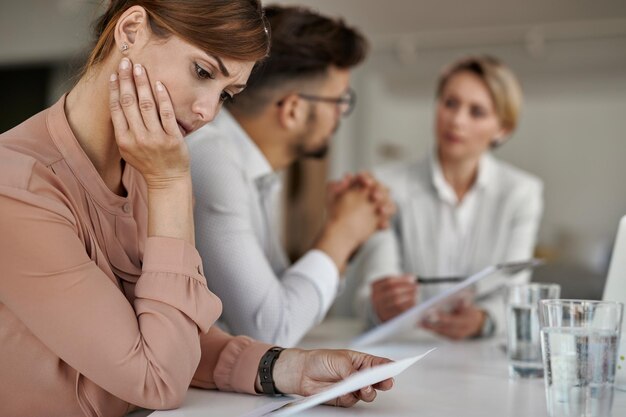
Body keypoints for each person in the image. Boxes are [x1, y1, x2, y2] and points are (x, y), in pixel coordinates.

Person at [0, 2, 394, 416]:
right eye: (202, 72)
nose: (208, 111)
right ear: (131, 30)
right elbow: (157, 377)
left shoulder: (149, 167)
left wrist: (288, 368)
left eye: (225, 93)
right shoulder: (18, 186)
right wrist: (170, 186)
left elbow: (170, 337)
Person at [187, 5, 395, 347]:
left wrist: (343, 229)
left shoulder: (259, 171)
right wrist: (342, 234)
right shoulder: (212, 159)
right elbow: (270, 329)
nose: (341, 114)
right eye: (339, 101)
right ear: (294, 109)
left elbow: (282, 297)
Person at [354, 56, 544, 340]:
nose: (456, 120)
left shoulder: (521, 192)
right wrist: (380, 306)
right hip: (405, 347)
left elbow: (516, 294)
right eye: (450, 103)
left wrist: (483, 320)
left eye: (476, 112)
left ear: (502, 129)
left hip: (479, 358)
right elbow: (371, 289)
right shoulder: (386, 185)